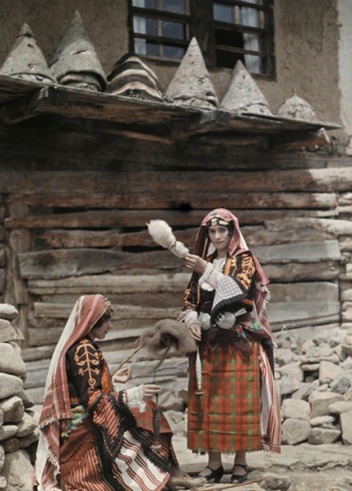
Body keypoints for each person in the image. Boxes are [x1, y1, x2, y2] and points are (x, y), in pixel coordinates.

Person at [34, 294, 179, 491]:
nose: (110, 326)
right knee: (146, 412)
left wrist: (112, 379)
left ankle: (162, 472)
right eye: (106, 321)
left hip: (76, 417)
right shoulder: (84, 350)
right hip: (81, 423)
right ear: (93, 322)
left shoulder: (79, 346)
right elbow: (93, 399)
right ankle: (158, 472)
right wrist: (134, 393)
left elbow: (82, 385)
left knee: (143, 411)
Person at [181, 208, 281, 484]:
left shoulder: (244, 259)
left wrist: (206, 270)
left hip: (239, 342)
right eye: (211, 232)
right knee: (208, 402)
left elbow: (240, 290)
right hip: (209, 343)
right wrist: (190, 318)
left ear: (232, 232)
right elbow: (190, 295)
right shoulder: (206, 261)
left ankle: (240, 463)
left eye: (221, 231)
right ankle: (214, 465)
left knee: (239, 404)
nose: (216, 236)